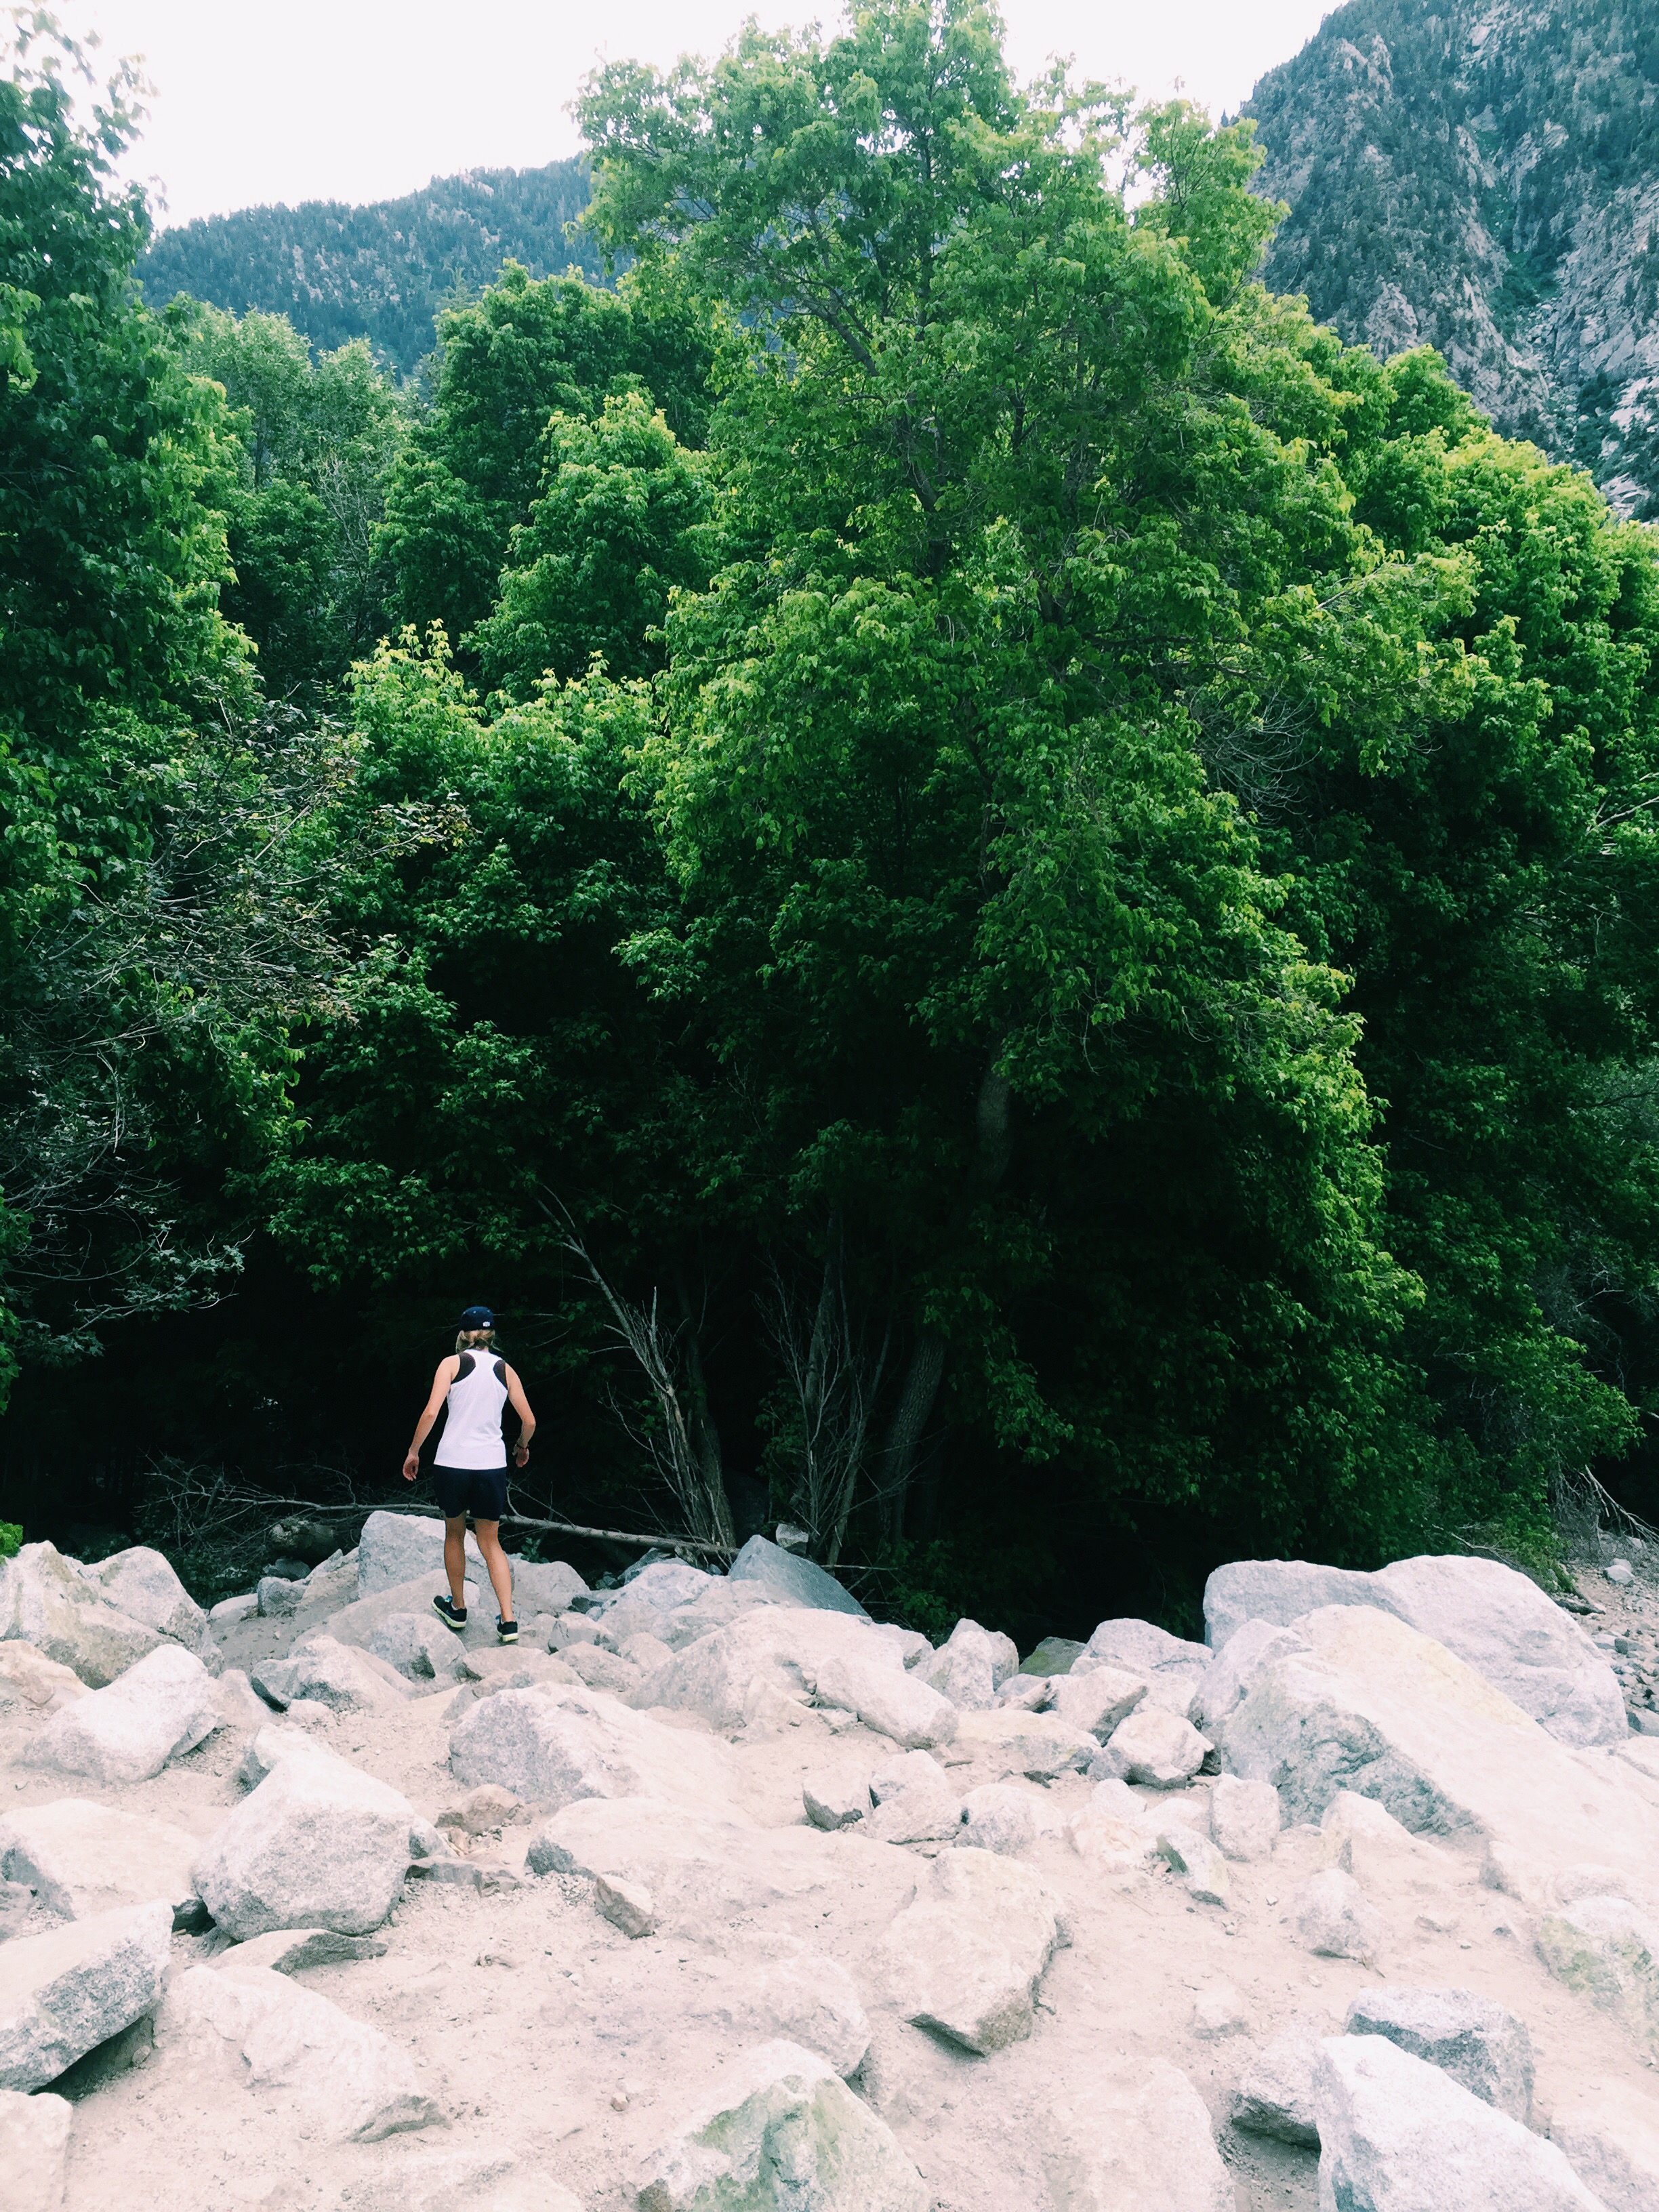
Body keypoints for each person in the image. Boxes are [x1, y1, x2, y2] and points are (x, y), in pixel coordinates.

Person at [402, 1305, 535, 1643]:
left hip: (453, 1463)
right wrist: (521, 1446)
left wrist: (414, 1451)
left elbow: (431, 1412)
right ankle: (508, 1620)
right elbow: (530, 1421)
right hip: (491, 1466)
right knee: (491, 1542)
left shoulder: (451, 1364)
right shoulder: (506, 1369)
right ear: (492, 1335)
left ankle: (458, 1609)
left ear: (463, 1334)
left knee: (455, 1534)